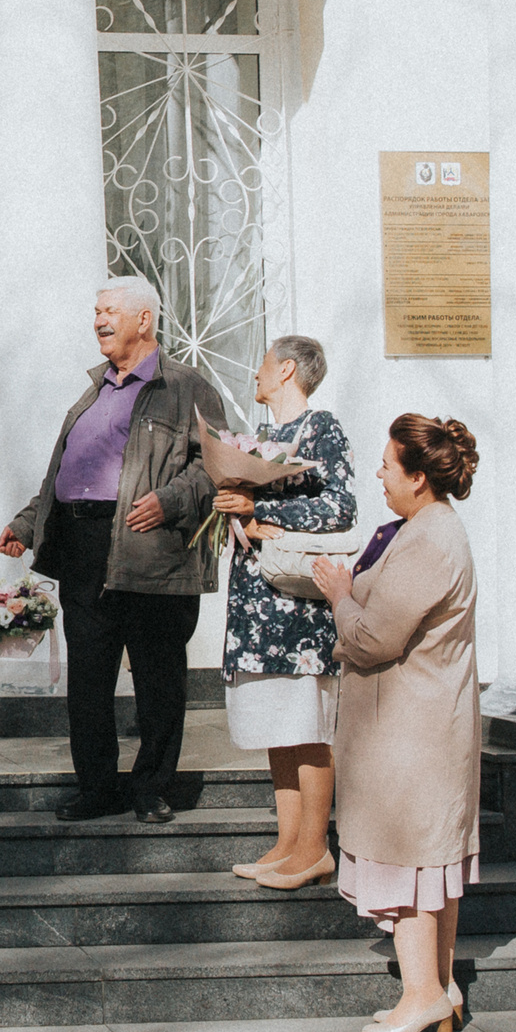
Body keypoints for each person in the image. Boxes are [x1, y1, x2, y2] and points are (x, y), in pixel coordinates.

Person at [0, 277, 225, 824]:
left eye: (109, 312)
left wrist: (171, 501)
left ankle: (151, 788)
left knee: (157, 676)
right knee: (89, 679)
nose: (98, 320)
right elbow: (65, 473)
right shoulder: (95, 389)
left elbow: (217, 466)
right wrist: (30, 523)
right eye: (95, 311)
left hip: (151, 548)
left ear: (143, 320)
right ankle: (96, 788)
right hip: (82, 546)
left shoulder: (188, 387)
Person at [309, 415, 482, 1032]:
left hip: (409, 733)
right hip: (419, 723)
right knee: (429, 863)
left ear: (418, 476)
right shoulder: (426, 530)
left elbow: (375, 638)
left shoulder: (429, 539)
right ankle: (437, 988)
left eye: (388, 463)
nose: (379, 472)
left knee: (408, 862)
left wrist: (338, 593)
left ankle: (422, 995)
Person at [213, 336, 356, 888]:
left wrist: (261, 505)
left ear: (288, 370)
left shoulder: (322, 427)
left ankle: (316, 847)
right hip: (257, 599)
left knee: (307, 726)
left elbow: (340, 504)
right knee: (278, 725)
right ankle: (289, 840)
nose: (257, 372)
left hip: (297, 607)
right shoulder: (266, 437)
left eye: (265, 364)